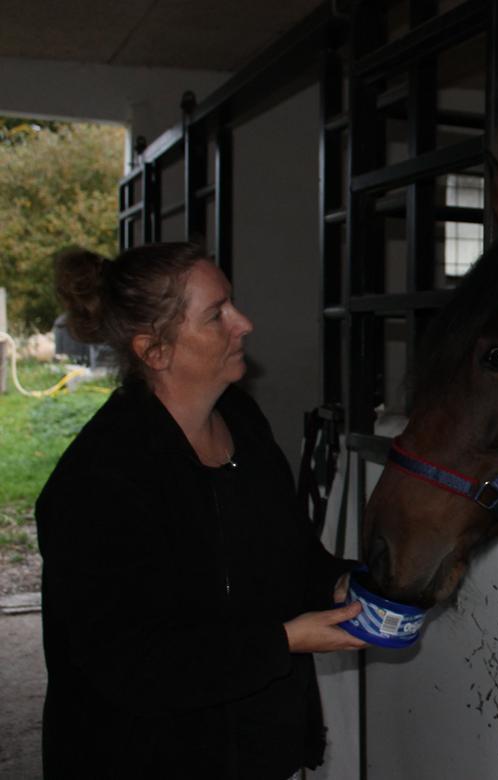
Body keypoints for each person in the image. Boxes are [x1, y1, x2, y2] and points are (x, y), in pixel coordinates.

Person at [36, 242, 367, 779]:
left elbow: (292, 556)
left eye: (232, 303)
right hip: (144, 758)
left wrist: (343, 586)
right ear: (155, 350)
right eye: (218, 314)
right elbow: (130, 665)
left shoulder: (243, 422)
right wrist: (284, 641)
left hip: (258, 750)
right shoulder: (98, 482)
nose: (244, 323)